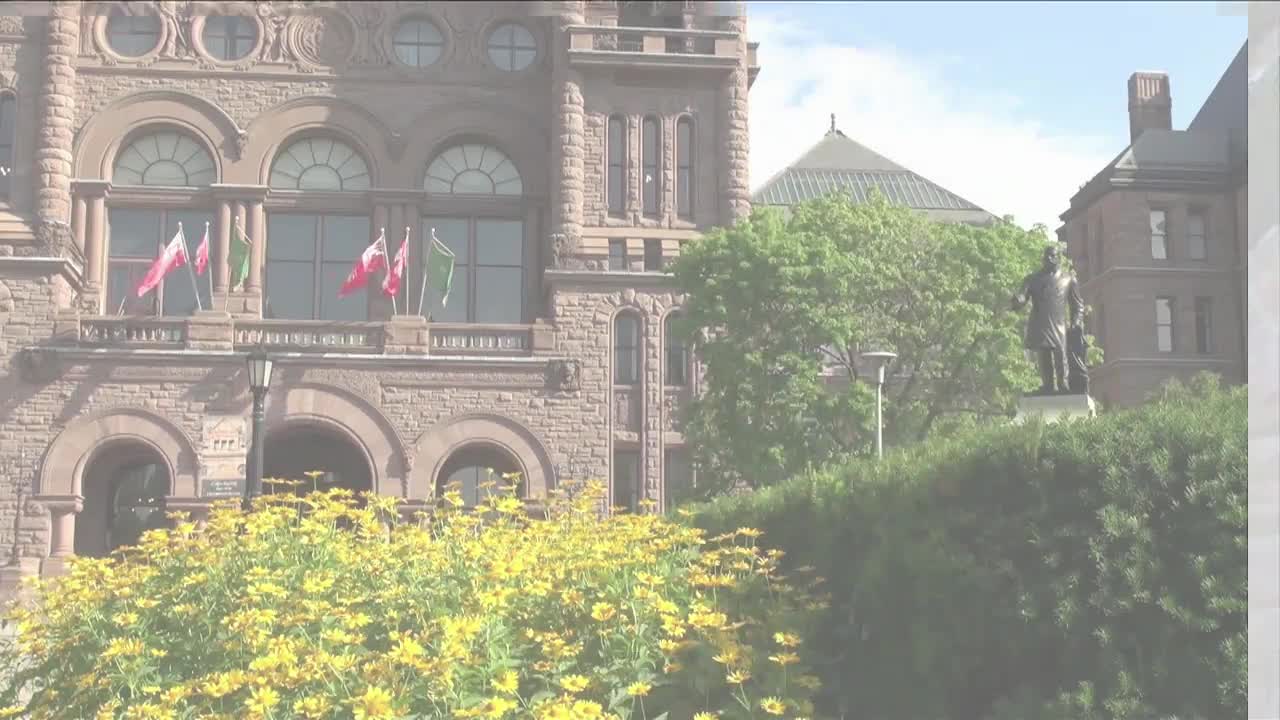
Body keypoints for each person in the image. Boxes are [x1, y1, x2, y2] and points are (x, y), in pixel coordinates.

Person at [1011, 244, 1084, 394]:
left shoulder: (1069, 279)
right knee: (1043, 356)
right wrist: (1018, 300)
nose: (1049, 259)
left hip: (1059, 324)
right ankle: (1047, 386)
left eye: (1052, 255)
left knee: (1060, 355)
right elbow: (1023, 296)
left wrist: (1076, 322)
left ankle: (1063, 385)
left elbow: (1078, 306)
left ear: (1059, 258)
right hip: (1039, 322)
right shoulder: (1033, 279)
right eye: (1046, 256)